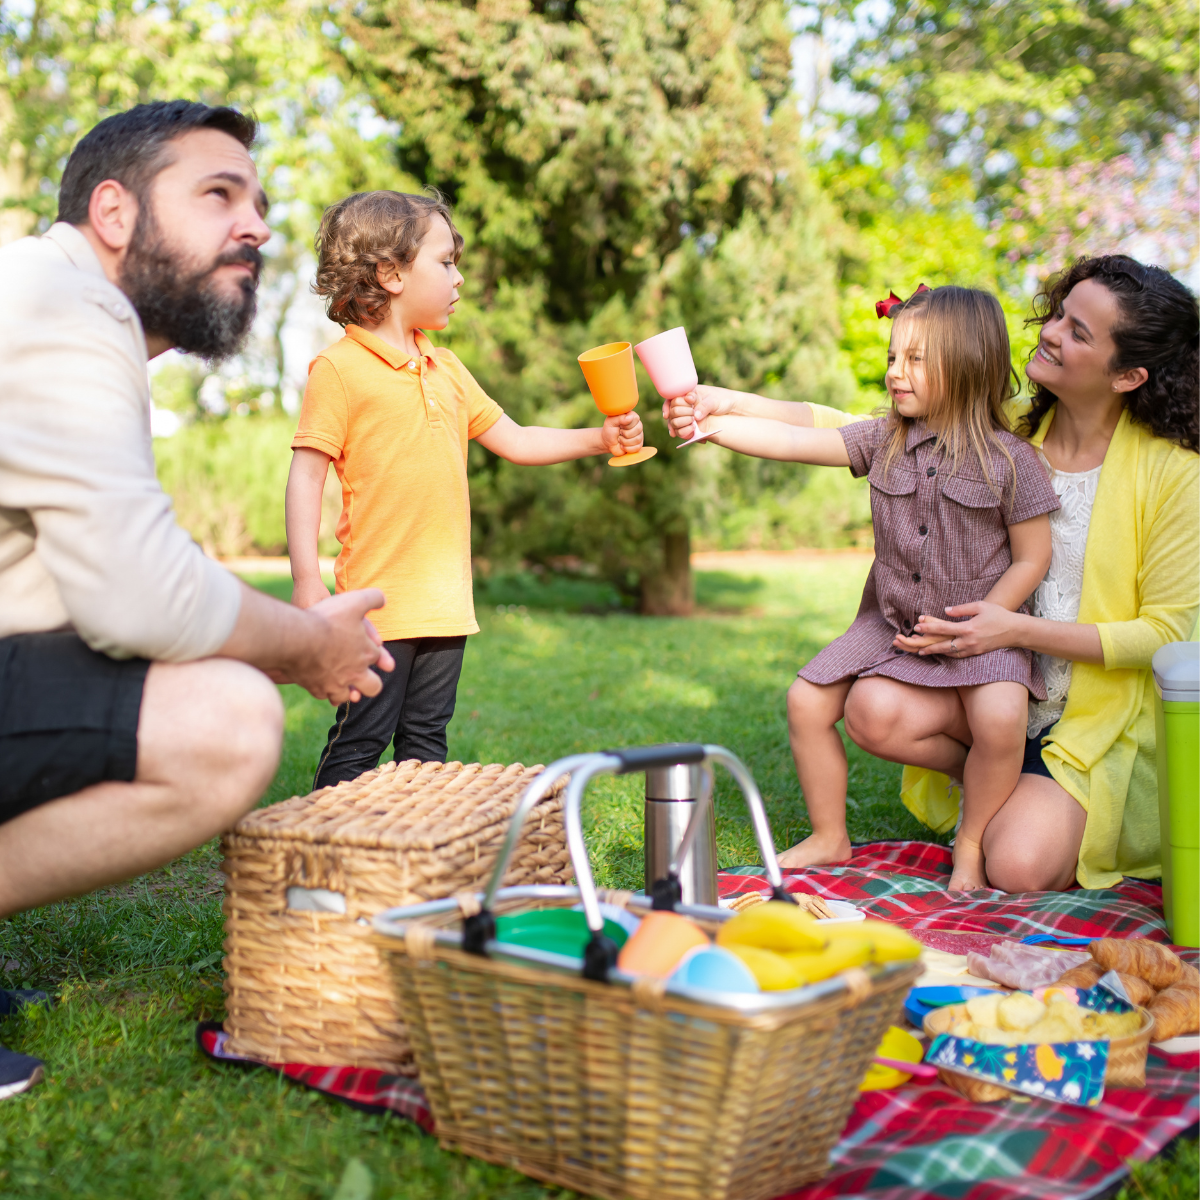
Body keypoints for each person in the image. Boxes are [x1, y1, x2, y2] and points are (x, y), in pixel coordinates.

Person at [0, 101, 395, 1096]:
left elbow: (98, 576)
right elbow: (137, 595)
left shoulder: (50, 301)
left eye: (257, 202)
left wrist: (258, 623)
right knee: (223, 719)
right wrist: (304, 642)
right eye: (218, 193)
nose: (255, 224)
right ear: (115, 213)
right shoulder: (58, 308)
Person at [665, 286, 1060, 890]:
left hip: (982, 627)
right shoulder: (885, 440)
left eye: (915, 359)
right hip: (892, 621)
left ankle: (973, 844)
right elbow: (795, 442)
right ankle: (830, 836)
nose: (894, 372)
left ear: (970, 365)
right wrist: (711, 426)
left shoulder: (1012, 461)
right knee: (806, 701)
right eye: (892, 357)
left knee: (1001, 718)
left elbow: (1033, 558)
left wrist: (985, 623)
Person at [851, 257, 1199, 893]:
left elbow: (1168, 634)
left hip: (1094, 723)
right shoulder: (1004, 439)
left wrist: (1013, 629)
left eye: (1080, 332)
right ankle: (999, 779)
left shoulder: (1176, 474)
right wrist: (725, 408)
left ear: (1129, 375)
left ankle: (1019, 805)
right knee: (872, 712)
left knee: (1016, 866)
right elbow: (865, 432)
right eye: (1062, 314)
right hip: (991, 690)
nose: (1051, 332)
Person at [285, 190, 644, 787]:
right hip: (379, 606)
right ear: (390, 273)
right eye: (445, 262)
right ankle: (324, 857)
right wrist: (305, 580)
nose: (458, 278)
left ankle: (419, 861)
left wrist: (600, 438)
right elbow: (307, 471)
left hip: (446, 602)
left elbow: (519, 440)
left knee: (427, 742)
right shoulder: (340, 370)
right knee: (362, 739)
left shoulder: (446, 367)